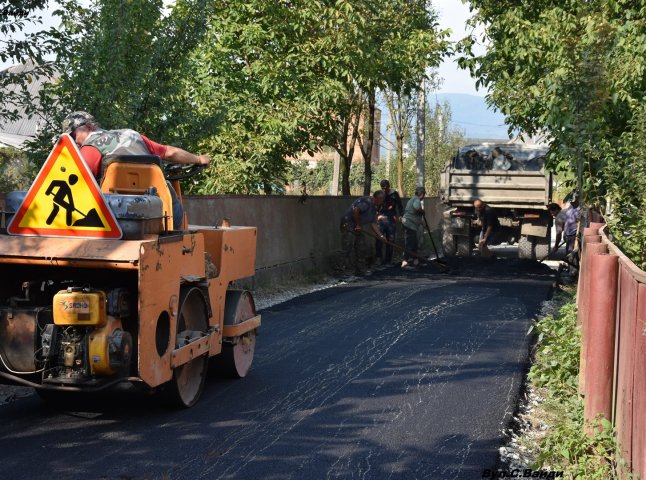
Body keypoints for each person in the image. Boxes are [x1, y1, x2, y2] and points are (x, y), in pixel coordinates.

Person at [61, 111, 210, 229]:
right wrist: (198, 159)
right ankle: (177, 238)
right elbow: (169, 152)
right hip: (156, 204)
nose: (73, 141)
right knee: (173, 206)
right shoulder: (131, 135)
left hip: (114, 211)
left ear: (87, 127)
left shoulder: (90, 149)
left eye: (73, 135)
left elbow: (78, 183)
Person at [339, 191, 386, 275]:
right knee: (347, 246)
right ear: (376, 198)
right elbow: (355, 210)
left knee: (361, 246)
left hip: (358, 227)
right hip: (349, 224)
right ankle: (342, 270)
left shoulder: (375, 207)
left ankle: (360, 269)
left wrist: (381, 235)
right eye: (381, 200)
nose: (382, 202)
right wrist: (358, 224)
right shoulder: (367, 202)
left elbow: (373, 223)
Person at [375, 179, 404, 265]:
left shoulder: (394, 194)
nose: (385, 190)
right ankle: (378, 257)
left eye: (386, 188)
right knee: (379, 238)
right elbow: (375, 205)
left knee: (390, 240)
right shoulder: (380, 194)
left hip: (391, 219)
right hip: (381, 219)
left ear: (389, 186)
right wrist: (377, 215)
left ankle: (388, 260)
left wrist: (401, 216)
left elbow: (400, 206)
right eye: (383, 188)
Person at [401, 186, 426, 267]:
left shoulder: (412, 199)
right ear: (422, 194)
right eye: (424, 195)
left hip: (409, 224)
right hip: (409, 224)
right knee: (410, 243)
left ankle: (416, 260)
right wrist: (422, 211)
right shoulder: (416, 199)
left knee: (414, 243)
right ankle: (405, 261)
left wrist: (421, 222)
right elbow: (417, 208)